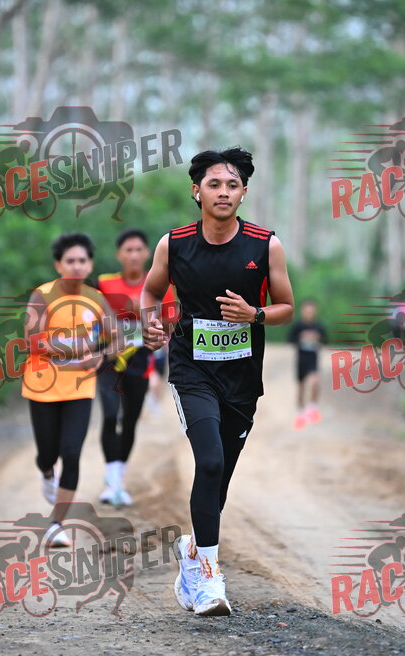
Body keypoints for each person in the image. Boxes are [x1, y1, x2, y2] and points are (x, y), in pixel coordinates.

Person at [141, 147, 294, 617]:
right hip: (192, 369)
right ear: (197, 192)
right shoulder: (174, 244)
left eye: (232, 185)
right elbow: (151, 291)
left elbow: (287, 307)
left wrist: (255, 314)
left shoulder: (265, 245)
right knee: (208, 462)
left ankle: (192, 550)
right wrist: (151, 322)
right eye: (214, 184)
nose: (223, 192)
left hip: (242, 378)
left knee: (219, 478)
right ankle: (208, 578)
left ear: (243, 193)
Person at [22, 233, 116, 546]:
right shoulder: (42, 295)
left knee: (72, 453)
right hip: (43, 386)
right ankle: (47, 472)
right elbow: (33, 340)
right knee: (47, 454)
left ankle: (56, 524)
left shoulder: (96, 298)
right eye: (70, 260)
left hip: (80, 387)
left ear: (90, 264)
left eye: (82, 260)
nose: (76, 266)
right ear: (58, 265)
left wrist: (101, 355)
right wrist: (77, 350)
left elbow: (117, 337)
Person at [96, 229, 178, 506]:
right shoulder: (104, 283)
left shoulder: (159, 287)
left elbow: (169, 325)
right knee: (110, 415)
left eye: (138, 249)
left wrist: (146, 318)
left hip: (141, 360)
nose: (133, 255)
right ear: (119, 254)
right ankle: (112, 481)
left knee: (130, 419)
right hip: (109, 359)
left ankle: (119, 476)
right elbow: (91, 315)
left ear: (147, 254)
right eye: (128, 250)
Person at [288, 300, 327, 430]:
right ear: (303, 311)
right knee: (301, 386)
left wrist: (316, 338)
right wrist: (301, 337)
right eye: (307, 311)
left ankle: (312, 408)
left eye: (311, 311)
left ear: (315, 312)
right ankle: (300, 413)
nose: (309, 313)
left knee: (315, 381)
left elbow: (325, 340)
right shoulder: (298, 325)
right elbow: (290, 339)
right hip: (301, 358)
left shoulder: (318, 326)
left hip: (313, 358)